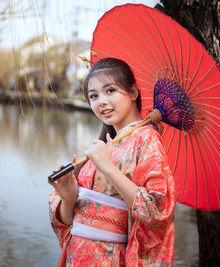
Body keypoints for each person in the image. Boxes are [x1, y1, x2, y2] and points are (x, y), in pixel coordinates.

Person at [48, 58, 175, 266]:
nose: (101, 102)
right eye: (94, 96)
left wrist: (108, 168)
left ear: (133, 92)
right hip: (78, 256)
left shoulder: (146, 139)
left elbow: (157, 211)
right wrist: (69, 198)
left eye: (110, 91)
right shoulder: (104, 144)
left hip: (112, 258)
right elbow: (68, 221)